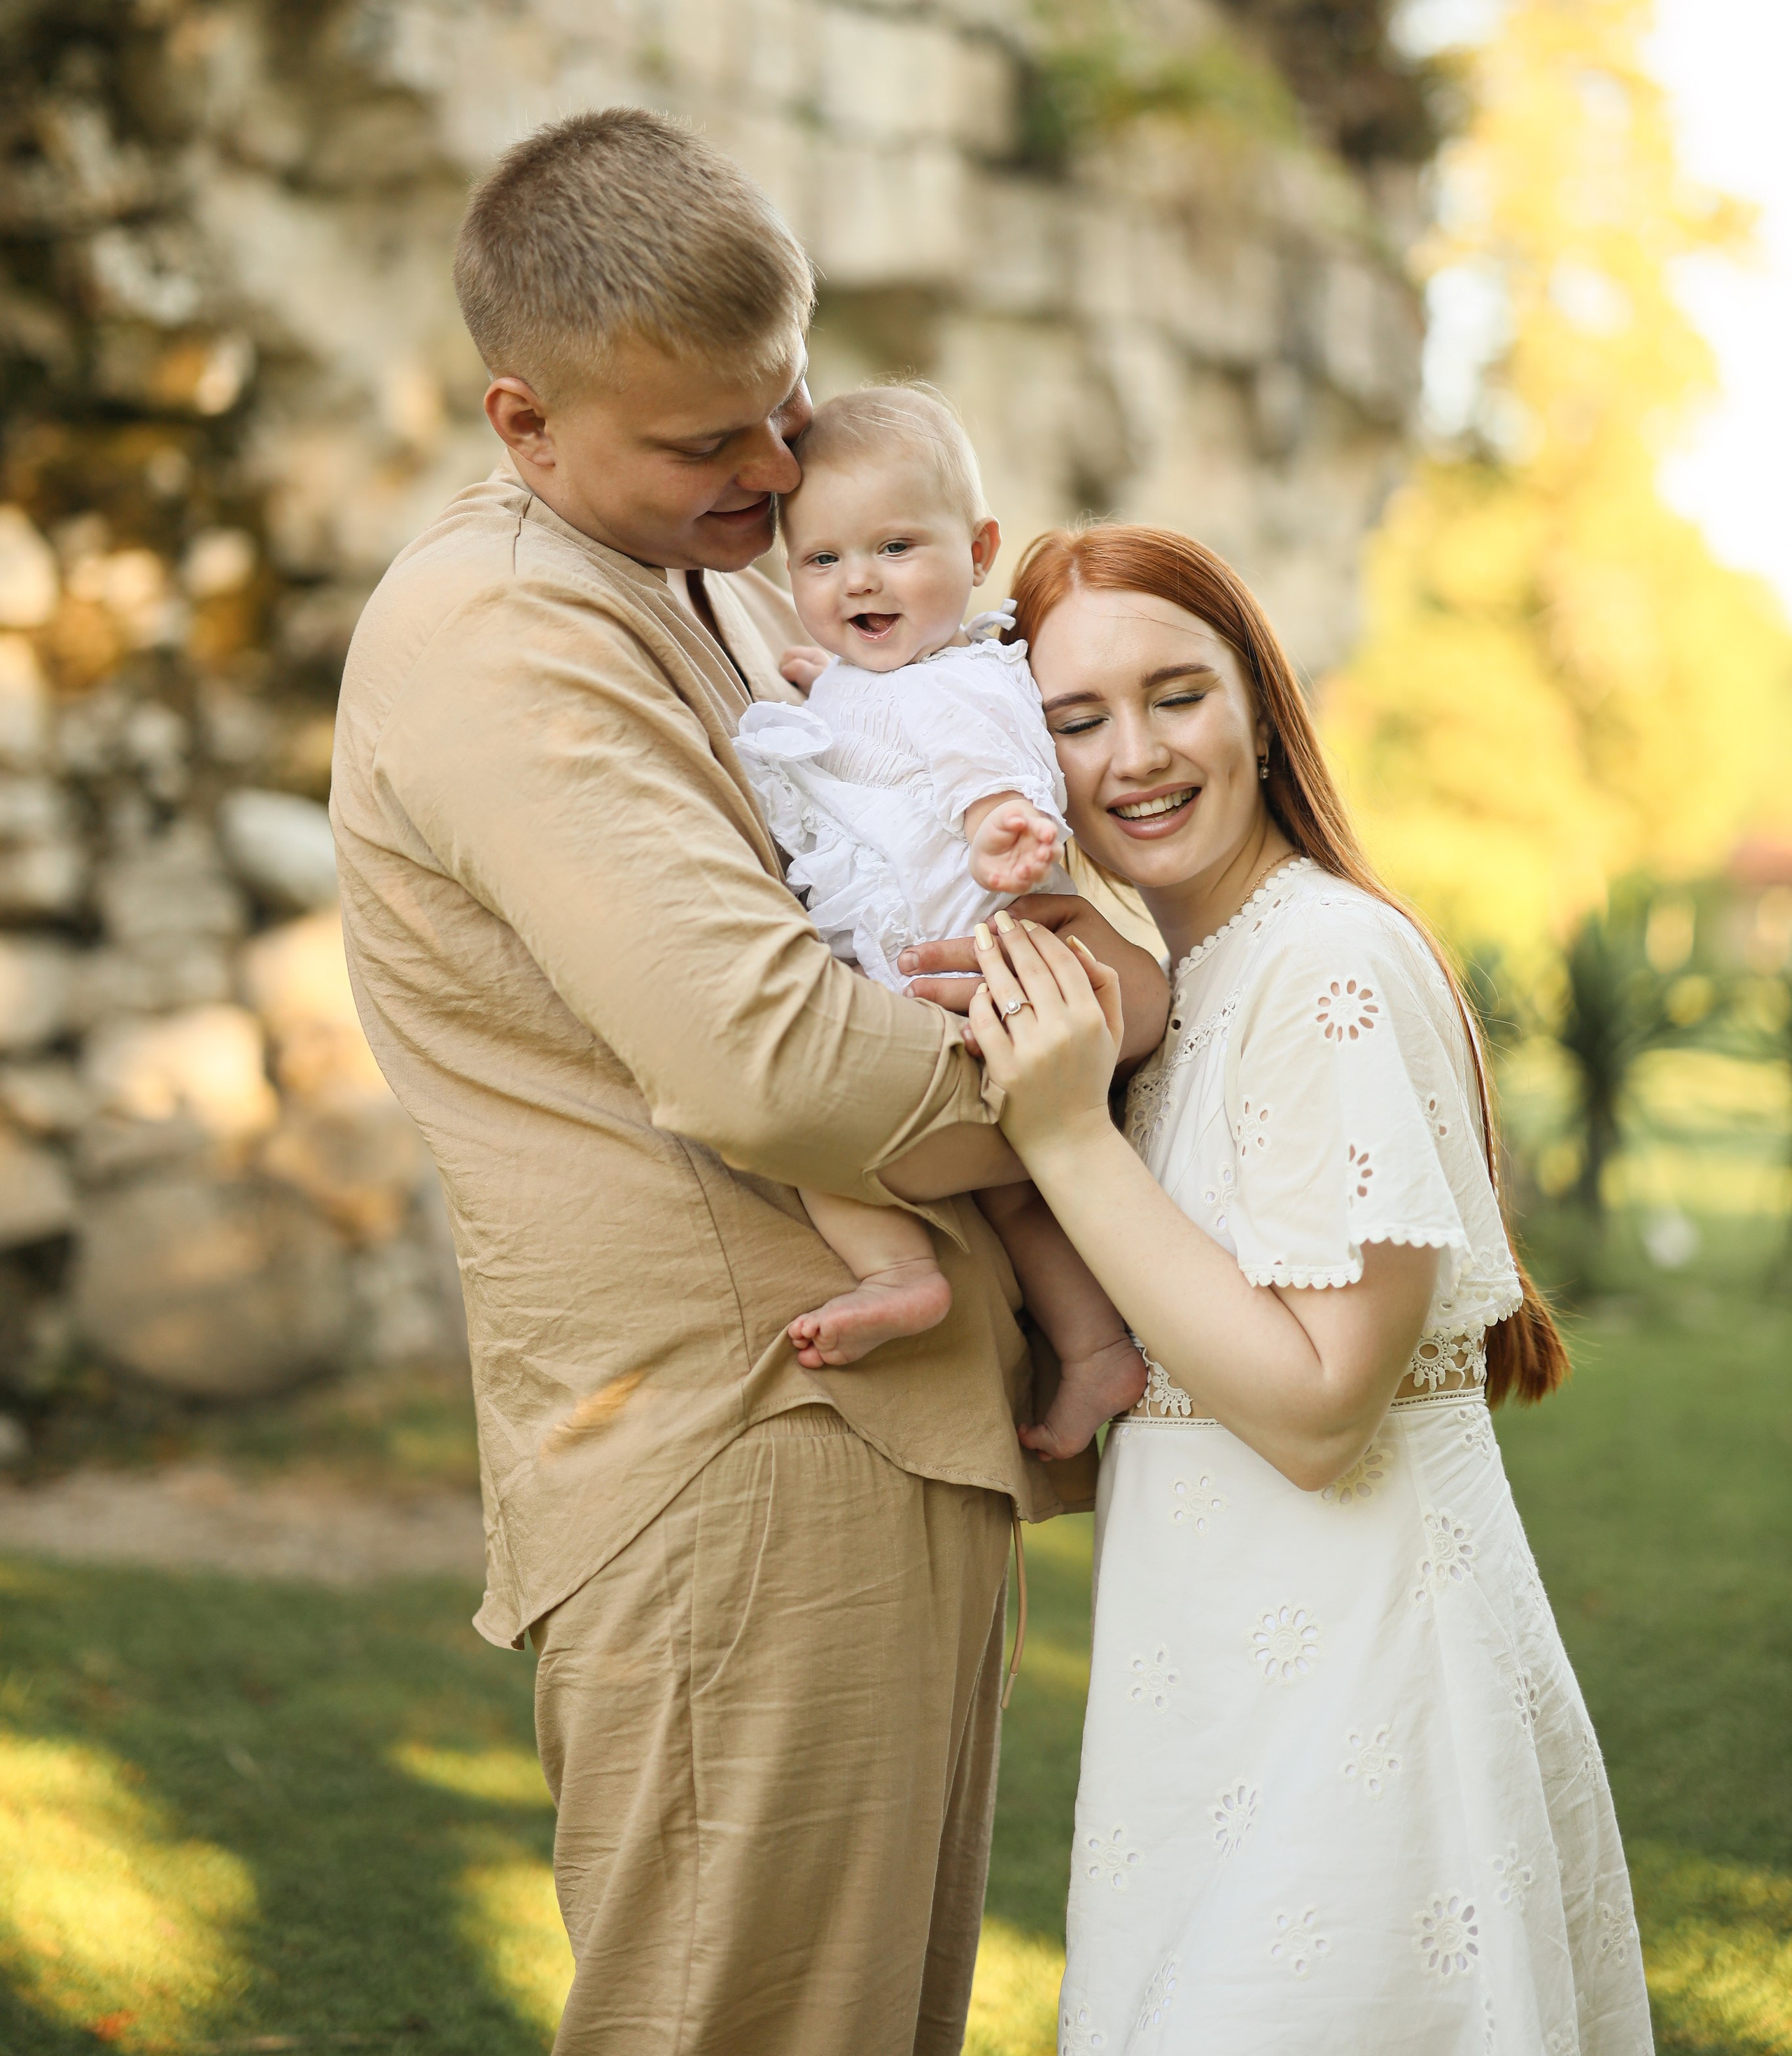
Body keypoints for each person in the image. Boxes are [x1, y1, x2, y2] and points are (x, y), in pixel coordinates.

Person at [328, 109, 1170, 2056]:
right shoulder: (501, 638)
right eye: (708, 444)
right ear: (523, 422)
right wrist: (1121, 1041)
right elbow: (776, 1058)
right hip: (746, 1447)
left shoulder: (700, 575)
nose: (776, 476)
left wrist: (1104, 965)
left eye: (779, 416)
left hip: (868, 1430)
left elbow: (905, 900)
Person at [958, 524, 1653, 2055]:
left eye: (1174, 695)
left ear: (1261, 708)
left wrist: (1064, 1138)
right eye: (1074, 721)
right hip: (1207, 1680)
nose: (1130, 755)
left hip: (1362, 1688)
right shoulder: (1186, 987)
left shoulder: (1322, 965)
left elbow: (1322, 1406)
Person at [734, 382, 1148, 1456]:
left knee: (814, 1139)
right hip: (925, 986)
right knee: (1017, 1200)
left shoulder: (963, 686)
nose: (857, 578)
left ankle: (904, 1272)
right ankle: (1086, 1347)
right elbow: (878, 728)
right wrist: (827, 686)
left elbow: (984, 767)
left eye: (894, 548)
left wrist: (1005, 824)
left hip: (968, 982)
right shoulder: (881, 675)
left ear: (978, 552)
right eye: (821, 561)